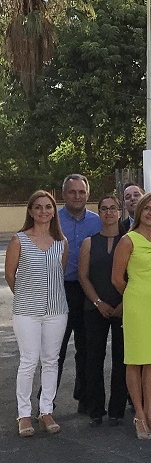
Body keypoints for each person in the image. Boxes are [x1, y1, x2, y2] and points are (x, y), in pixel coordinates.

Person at [6, 191, 69, 437]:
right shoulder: (19, 240)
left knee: (51, 360)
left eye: (48, 207)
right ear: (31, 211)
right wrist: (26, 295)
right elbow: (10, 274)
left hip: (56, 310)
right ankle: (23, 415)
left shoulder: (61, 242)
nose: (44, 211)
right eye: (38, 207)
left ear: (54, 212)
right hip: (27, 311)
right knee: (29, 361)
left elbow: (59, 273)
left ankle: (46, 411)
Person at [111, 193, 151, 440]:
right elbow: (117, 278)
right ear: (139, 211)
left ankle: (150, 413)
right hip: (137, 307)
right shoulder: (128, 240)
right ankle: (138, 414)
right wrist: (135, 296)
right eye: (147, 208)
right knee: (135, 360)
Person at [78, 194, 125, 427]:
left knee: (122, 358)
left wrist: (124, 304)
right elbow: (83, 276)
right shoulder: (89, 242)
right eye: (104, 209)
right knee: (94, 358)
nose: (109, 212)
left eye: (113, 208)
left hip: (123, 308)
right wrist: (98, 302)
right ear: (99, 213)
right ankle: (96, 409)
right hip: (94, 308)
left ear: (120, 212)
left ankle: (117, 409)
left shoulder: (129, 241)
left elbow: (136, 276)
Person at [56, 174, 101, 413]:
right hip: (59, 289)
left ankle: (85, 398)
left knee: (86, 348)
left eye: (81, 192)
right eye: (72, 192)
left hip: (86, 290)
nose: (77, 196)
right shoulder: (52, 219)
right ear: (64, 194)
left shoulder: (97, 222)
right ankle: (47, 402)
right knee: (55, 350)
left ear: (87, 194)